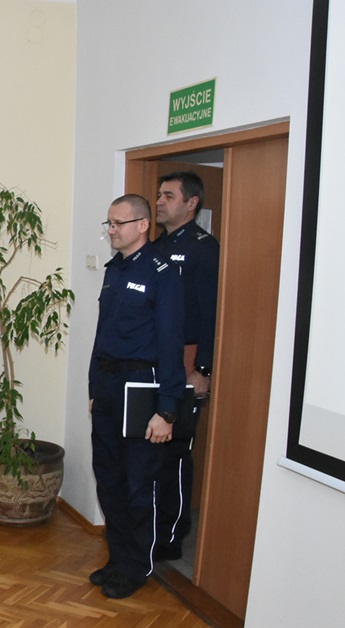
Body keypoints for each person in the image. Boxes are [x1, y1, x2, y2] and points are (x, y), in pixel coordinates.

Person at [88, 194, 185, 599]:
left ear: (143, 225)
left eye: (119, 223)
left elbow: (171, 345)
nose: (111, 230)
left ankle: (136, 567)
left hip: (142, 387)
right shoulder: (115, 270)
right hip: (108, 388)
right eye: (109, 223)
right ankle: (117, 558)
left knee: (137, 483)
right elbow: (102, 336)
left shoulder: (162, 273)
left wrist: (168, 410)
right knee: (109, 479)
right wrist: (93, 389)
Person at [151, 171, 221, 561]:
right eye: (159, 195)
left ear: (191, 203)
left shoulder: (203, 248)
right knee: (150, 448)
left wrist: (203, 370)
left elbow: (212, 314)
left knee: (175, 450)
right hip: (155, 360)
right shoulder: (157, 246)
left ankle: (172, 535)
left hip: (187, 360)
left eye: (169, 196)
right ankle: (150, 529)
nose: (160, 202)